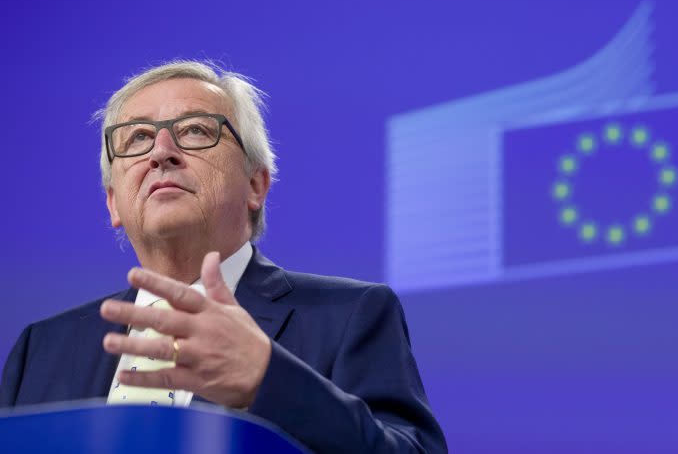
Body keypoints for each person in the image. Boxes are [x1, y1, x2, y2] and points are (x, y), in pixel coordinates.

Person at [0, 60, 447, 453]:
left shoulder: (350, 315)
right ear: (113, 203)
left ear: (256, 185)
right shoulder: (40, 349)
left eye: (195, 129)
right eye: (137, 137)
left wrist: (270, 380)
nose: (161, 153)